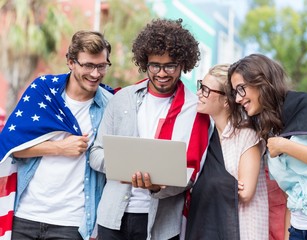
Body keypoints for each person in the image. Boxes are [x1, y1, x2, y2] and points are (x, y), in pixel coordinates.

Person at [89, 18, 211, 240]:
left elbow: (192, 174)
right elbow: (95, 154)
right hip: (112, 218)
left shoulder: (196, 110)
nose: (162, 73)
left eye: (170, 66)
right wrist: (127, 168)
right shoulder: (122, 99)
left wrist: (157, 186)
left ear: (183, 64)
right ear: (145, 63)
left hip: (161, 225)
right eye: (155, 65)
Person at [227, 53, 307, 239]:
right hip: (297, 228)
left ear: (261, 82)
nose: (238, 99)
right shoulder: (267, 126)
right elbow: (290, 193)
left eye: (241, 89)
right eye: (234, 93)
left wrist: (285, 146)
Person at [0, 30, 113, 240]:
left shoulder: (111, 105)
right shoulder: (43, 91)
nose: (96, 74)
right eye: (88, 65)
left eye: (101, 66)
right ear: (71, 62)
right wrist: (60, 147)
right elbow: (10, 147)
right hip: (26, 214)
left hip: (72, 222)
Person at [185, 64, 268, 239]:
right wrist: (226, 183)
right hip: (211, 226)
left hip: (243, 228)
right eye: (201, 86)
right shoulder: (205, 134)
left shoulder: (247, 135)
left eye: (206, 90)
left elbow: (245, 193)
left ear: (225, 100)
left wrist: (214, 182)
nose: (199, 93)